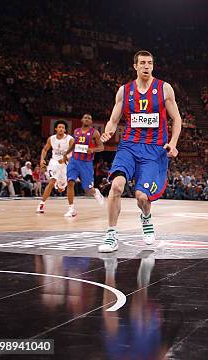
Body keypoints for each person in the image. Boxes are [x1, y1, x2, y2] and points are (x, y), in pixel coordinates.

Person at [98, 50, 182, 252]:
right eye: (142, 63)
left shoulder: (164, 89)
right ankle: (111, 234)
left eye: (150, 63)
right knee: (116, 186)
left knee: (141, 197)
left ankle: (146, 217)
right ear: (135, 66)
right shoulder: (124, 91)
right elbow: (113, 120)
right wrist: (109, 131)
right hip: (129, 146)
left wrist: (173, 143)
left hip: (154, 149)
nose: (146, 66)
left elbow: (177, 119)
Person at [61, 113, 105, 217]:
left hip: (86, 163)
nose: (87, 119)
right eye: (85, 117)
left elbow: (101, 147)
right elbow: (74, 145)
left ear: (91, 122)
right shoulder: (76, 131)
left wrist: (92, 150)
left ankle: (95, 192)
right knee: (70, 182)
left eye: (89, 118)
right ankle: (71, 209)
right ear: (81, 119)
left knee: (88, 189)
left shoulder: (95, 133)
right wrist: (66, 153)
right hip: (74, 161)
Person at [37, 120, 73, 213]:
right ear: (56, 129)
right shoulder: (51, 139)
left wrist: (65, 158)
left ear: (65, 130)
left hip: (65, 164)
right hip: (54, 162)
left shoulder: (70, 139)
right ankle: (41, 204)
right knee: (52, 181)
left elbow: (74, 153)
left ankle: (60, 184)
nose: (61, 129)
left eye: (63, 128)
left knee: (61, 189)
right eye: (59, 127)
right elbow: (45, 150)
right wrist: (42, 159)